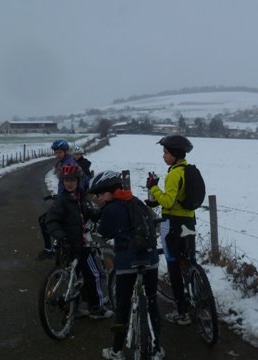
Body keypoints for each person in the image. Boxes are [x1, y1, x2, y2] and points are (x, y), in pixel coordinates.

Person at [89, 171, 163, 360]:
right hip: (151, 259)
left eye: (100, 194)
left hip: (127, 261)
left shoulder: (111, 208)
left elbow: (104, 233)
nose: (98, 199)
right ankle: (157, 348)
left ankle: (116, 351)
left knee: (123, 305)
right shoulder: (136, 201)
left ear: (110, 192)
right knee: (152, 302)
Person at [44, 164, 113, 319]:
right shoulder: (63, 200)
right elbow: (51, 220)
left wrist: (102, 208)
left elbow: (88, 214)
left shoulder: (79, 196)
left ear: (78, 180)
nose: (69, 183)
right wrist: (61, 236)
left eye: (73, 180)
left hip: (70, 244)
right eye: (66, 180)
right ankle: (96, 308)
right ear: (62, 181)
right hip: (77, 245)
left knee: (77, 276)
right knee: (94, 275)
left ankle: (74, 308)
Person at [146, 134, 196, 326]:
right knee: (190, 261)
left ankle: (182, 311)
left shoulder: (174, 174)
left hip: (171, 223)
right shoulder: (189, 170)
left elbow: (167, 201)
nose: (163, 156)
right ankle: (196, 293)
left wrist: (154, 188)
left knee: (174, 265)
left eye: (166, 153)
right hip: (189, 222)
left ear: (175, 154)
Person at [36, 139, 81, 261]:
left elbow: (76, 182)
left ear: (65, 152)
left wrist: (69, 195)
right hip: (64, 198)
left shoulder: (69, 164)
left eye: (60, 152)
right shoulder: (64, 162)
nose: (57, 155)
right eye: (56, 153)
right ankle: (54, 247)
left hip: (68, 200)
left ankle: (49, 249)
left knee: (45, 220)